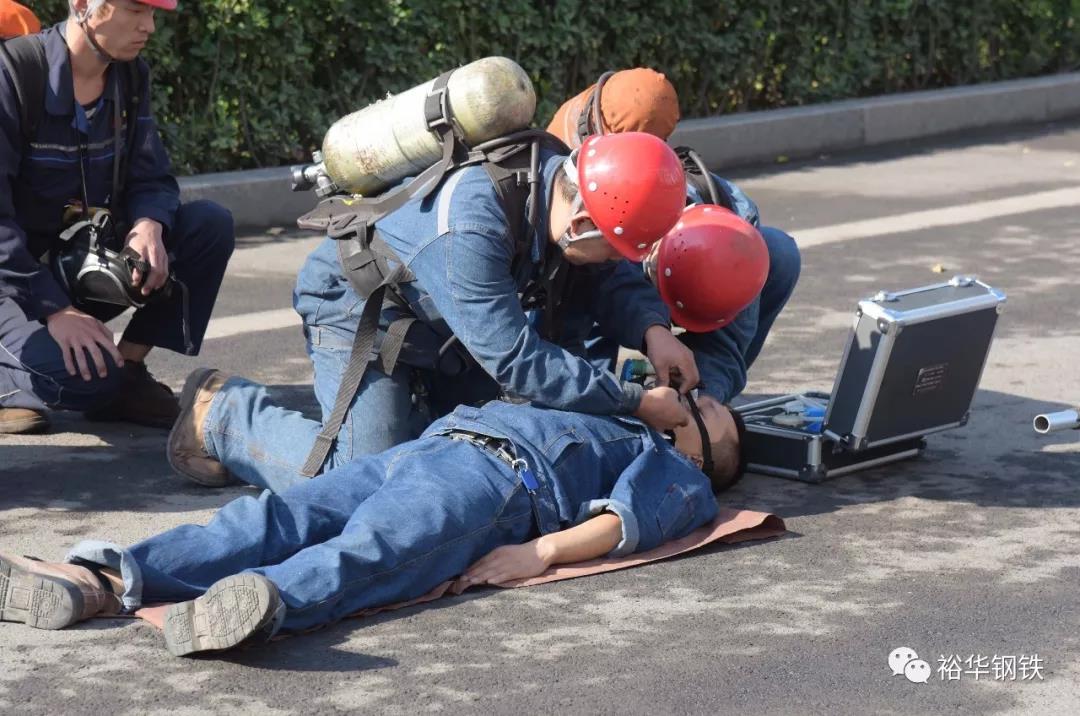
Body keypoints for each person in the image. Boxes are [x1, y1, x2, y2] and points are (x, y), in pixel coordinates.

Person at [0, 387, 744, 657]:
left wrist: (542, 552)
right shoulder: (620, 406)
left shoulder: (676, 471)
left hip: (495, 482)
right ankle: (101, 577)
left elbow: (625, 520)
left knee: (375, 549)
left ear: (704, 453)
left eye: (709, 410)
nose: (697, 397)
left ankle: (257, 606)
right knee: (278, 514)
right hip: (433, 446)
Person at [170, 131, 701, 493]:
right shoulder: (471, 223)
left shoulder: (561, 181)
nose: (616, 262)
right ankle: (223, 413)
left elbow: (607, 275)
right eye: (613, 248)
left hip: (442, 324)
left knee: (466, 453)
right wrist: (633, 401)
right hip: (360, 309)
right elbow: (516, 359)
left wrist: (653, 331)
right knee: (358, 482)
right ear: (582, 223)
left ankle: (390, 416)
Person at [0, 0, 235, 434]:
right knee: (85, 381)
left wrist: (148, 225)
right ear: (82, 4)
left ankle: (126, 372)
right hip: (11, 282)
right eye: (134, 10)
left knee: (208, 226)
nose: (149, 27)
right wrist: (56, 310)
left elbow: (152, 176)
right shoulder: (13, 74)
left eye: (154, 14)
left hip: (68, 263)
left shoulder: (129, 76)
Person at [547, 68, 802, 403]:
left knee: (779, 252)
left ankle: (691, 383)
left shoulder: (736, 220)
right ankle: (596, 379)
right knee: (589, 266)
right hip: (592, 254)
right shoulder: (590, 198)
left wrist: (704, 399)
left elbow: (727, 344)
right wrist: (611, 402)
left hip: (666, 252)